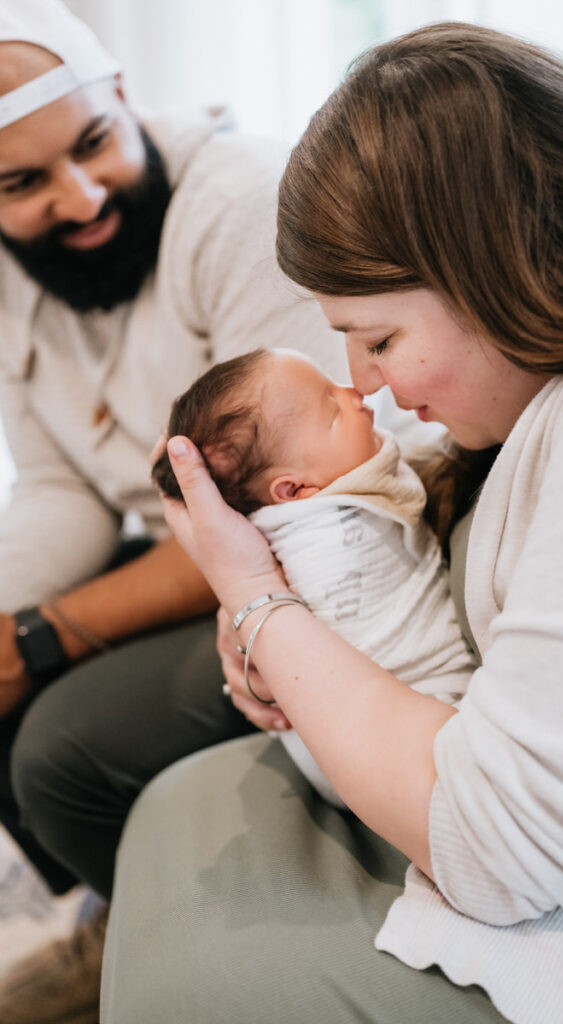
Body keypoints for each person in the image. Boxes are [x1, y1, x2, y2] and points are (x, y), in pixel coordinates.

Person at [101, 20, 563, 1024]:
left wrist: (256, 601)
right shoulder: (555, 379)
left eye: (377, 337)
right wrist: (261, 610)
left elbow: (505, 849)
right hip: (494, 803)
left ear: (496, 263)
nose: (362, 382)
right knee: (152, 802)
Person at [0, 0, 346, 1018]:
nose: (78, 196)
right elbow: (61, 483)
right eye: (21, 183)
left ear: (120, 93)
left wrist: (41, 636)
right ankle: (125, 919)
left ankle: (207, 946)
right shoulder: (14, 276)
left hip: (301, 554)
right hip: (190, 550)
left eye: (95, 143)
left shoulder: (238, 203)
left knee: (59, 744)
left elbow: (281, 505)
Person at [152, 346, 475, 805]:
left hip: (336, 750)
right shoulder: (324, 532)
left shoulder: (325, 484)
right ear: (296, 490)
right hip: (396, 738)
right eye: (333, 410)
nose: (354, 392)